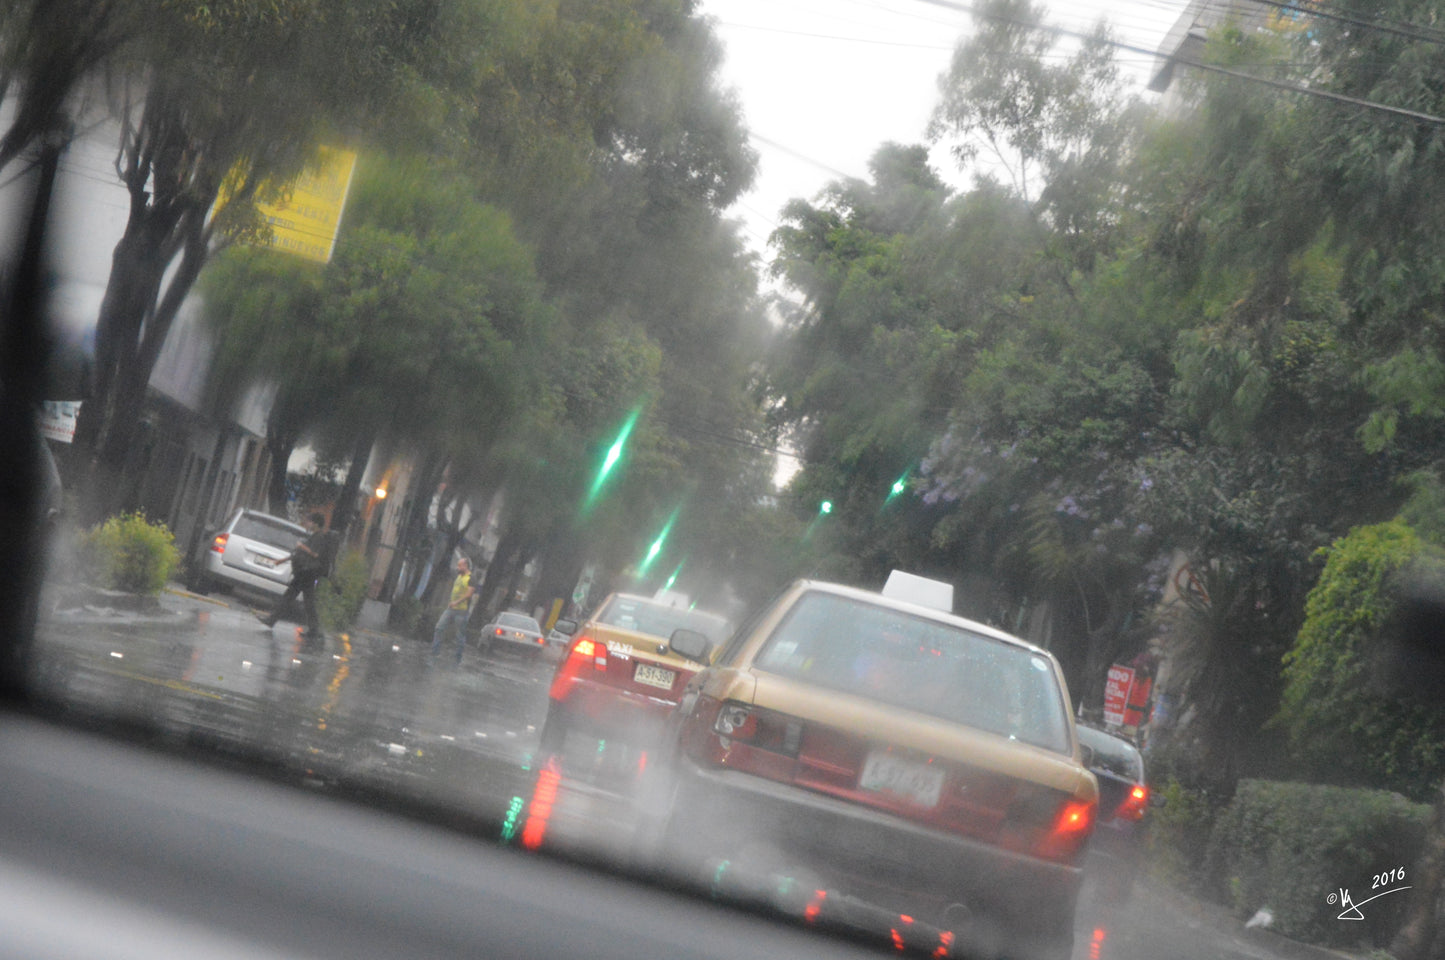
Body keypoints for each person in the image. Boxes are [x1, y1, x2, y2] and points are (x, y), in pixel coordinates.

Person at [257, 512, 339, 643]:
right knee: (307, 601)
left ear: (316, 523)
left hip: (307, 572)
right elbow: (301, 553)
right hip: (307, 573)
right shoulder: (316, 536)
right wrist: (283, 560)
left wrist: (302, 546)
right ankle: (313, 630)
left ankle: (272, 620)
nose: (307, 523)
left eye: (309, 521)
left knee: (291, 596)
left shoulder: (319, 537)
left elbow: (315, 554)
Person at [430, 556, 474, 666]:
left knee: (459, 635)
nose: (457, 567)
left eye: (460, 565)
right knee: (439, 627)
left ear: (466, 566)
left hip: (462, 611)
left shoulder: (471, 578)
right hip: (451, 608)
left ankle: (457, 659)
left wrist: (457, 602)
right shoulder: (458, 576)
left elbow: (469, 594)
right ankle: (435, 652)